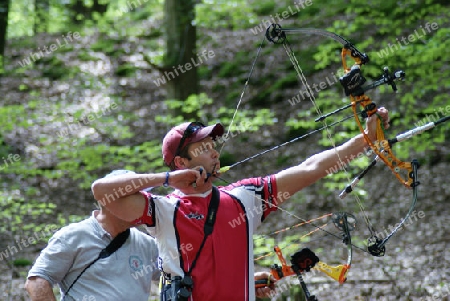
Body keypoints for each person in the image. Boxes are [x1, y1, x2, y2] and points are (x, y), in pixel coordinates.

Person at [90, 108, 389, 301]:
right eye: (204, 148)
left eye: (214, 147)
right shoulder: (163, 210)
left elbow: (311, 168)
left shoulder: (245, 196)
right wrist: (170, 177)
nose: (214, 154)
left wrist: (365, 139)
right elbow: (102, 192)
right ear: (183, 161)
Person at [25, 170, 160, 301]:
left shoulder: (148, 244)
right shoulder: (73, 237)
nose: (143, 204)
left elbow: (174, 274)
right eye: (136, 198)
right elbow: (37, 281)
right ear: (112, 202)